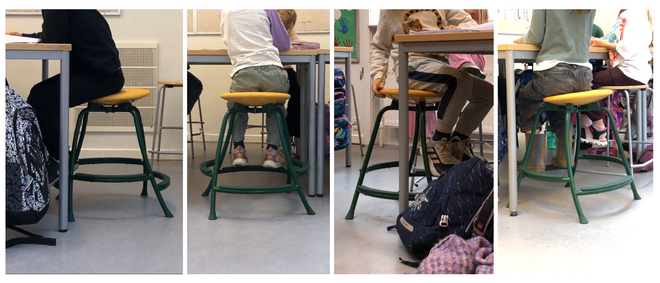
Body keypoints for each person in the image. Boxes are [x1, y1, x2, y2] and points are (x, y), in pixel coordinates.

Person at [371, 9, 493, 176]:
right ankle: (437, 142)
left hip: (440, 65)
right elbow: (379, 46)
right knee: (460, 80)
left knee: (487, 92)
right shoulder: (390, 10)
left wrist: (460, 28)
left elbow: (469, 21)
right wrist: (378, 74)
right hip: (410, 66)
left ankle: (456, 143)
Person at [11, 10, 125, 185]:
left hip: (102, 77)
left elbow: (54, 38)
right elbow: (55, 35)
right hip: (102, 73)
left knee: (42, 100)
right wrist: (24, 36)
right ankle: (60, 158)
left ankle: (60, 161)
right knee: (41, 95)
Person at [514, 10, 595, 171]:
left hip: (554, 72)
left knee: (527, 98)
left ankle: (534, 160)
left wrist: (521, 40)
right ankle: (564, 157)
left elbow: (534, 37)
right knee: (557, 102)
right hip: (584, 76)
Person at [220, 9, 291, 168]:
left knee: (237, 107)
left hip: (244, 72)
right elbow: (284, 43)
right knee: (276, 107)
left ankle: (239, 151)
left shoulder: (224, 11)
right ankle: (272, 154)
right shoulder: (267, 8)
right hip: (273, 72)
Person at [580, 9, 653, 145]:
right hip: (631, 70)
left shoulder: (635, 14)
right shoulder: (632, 14)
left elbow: (628, 47)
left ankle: (598, 127)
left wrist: (603, 44)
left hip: (631, 71)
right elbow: (613, 37)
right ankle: (589, 125)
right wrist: (601, 41)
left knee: (584, 80)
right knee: (586, 78)